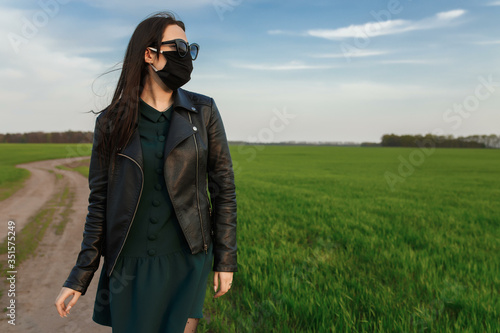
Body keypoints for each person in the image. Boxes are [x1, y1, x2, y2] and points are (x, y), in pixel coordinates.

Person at [54, 11, 237, 333]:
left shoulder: (203, 111)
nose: (187, 57)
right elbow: (100, 203)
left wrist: (225, 259)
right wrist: (80, 276)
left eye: (190, 49)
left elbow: (223, 188)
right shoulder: (111, 122)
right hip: (129, 264)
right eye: (178, 48)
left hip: (186, 257)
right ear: (149, 54)